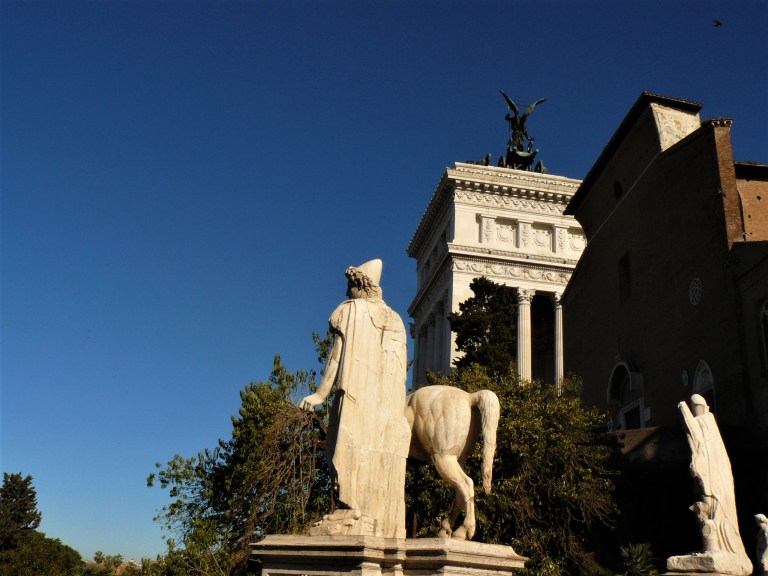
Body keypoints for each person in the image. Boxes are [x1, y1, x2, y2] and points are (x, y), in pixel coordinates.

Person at [300, 259, 410, 539]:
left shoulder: (348, 311)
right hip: (383, 408)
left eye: (350, 285)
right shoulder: (395, 319)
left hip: (353, 396)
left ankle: (351, 506)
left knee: (341, 449)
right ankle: (375, 514)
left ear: (360, 285)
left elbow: (335, 358)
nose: (347, 292)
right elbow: (399, 371)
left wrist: (319, 394)